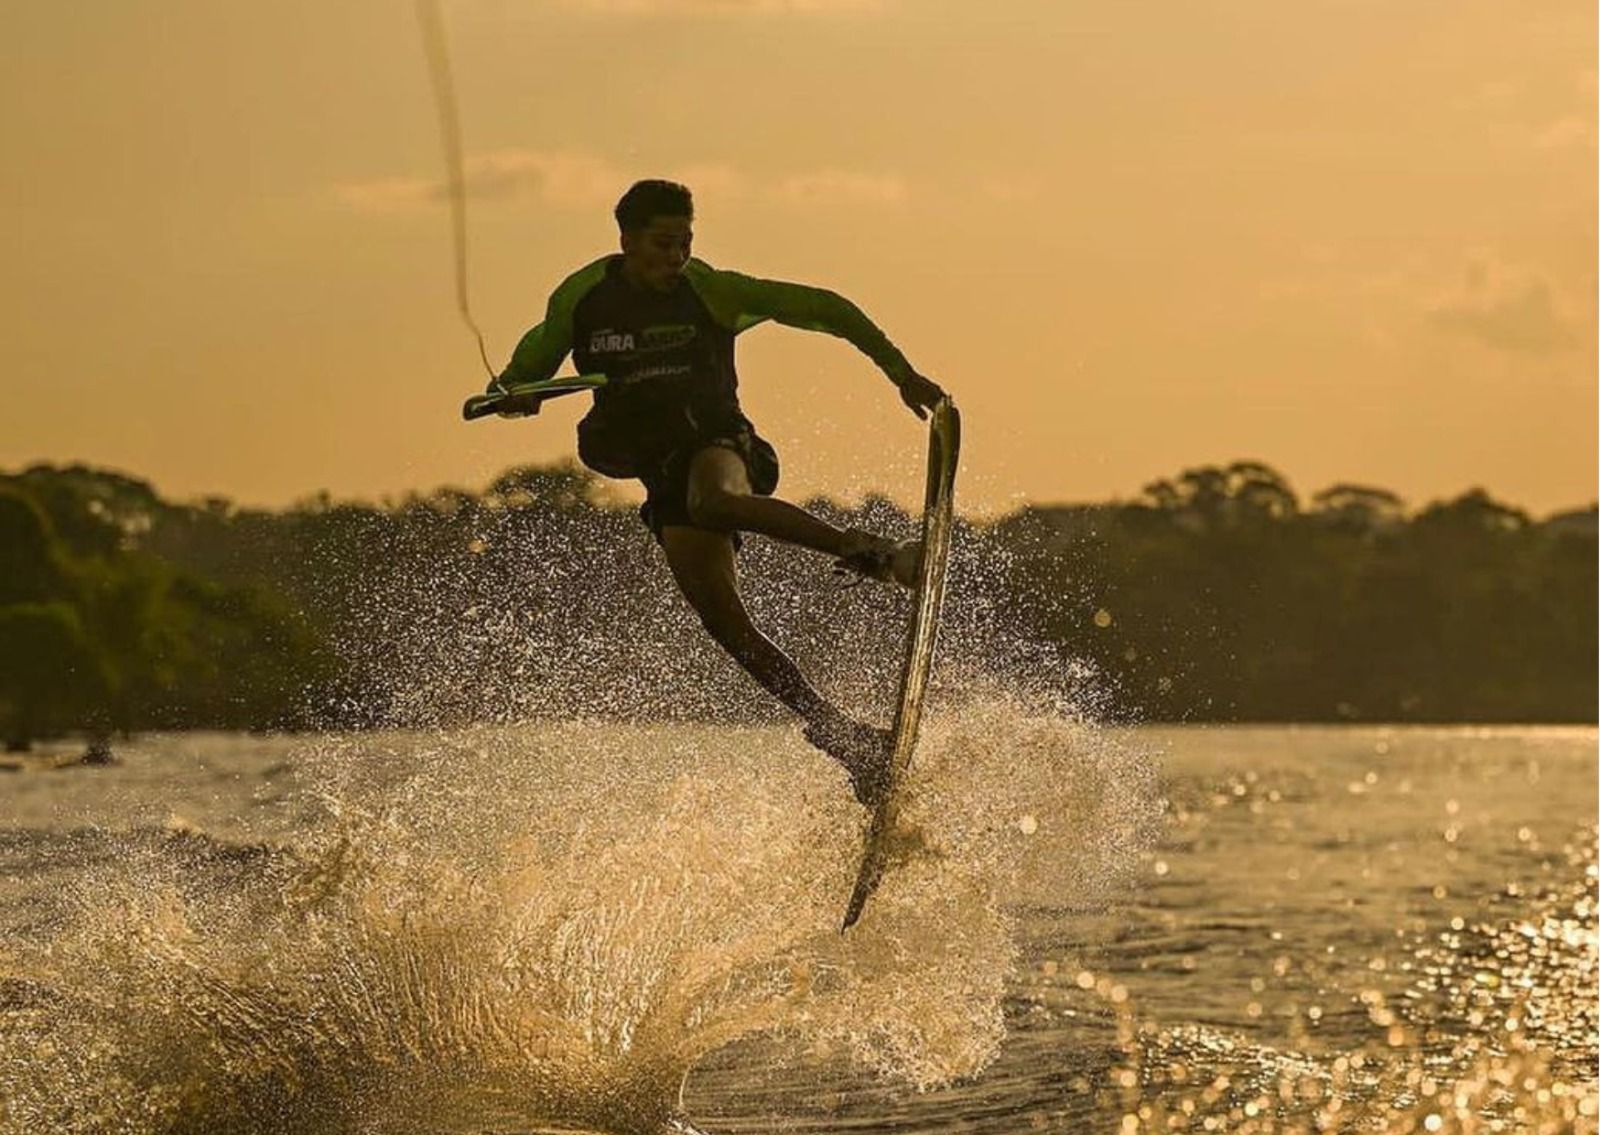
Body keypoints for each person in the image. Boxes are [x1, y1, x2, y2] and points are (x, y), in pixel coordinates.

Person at [487, 179, 946, 805]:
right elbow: (524, 375)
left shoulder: (712, 292)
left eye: (684, 242)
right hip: (663, 471)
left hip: (723, 446)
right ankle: (846, 740)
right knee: (726, 625)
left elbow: (827, 309)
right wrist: (514, 396)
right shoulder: (584, 298)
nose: (675, 256)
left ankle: (879, 554)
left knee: (713, 501)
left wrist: (901, 372)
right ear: (626, 241)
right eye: (662, 244)